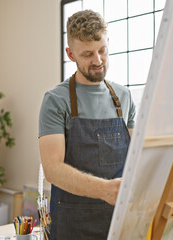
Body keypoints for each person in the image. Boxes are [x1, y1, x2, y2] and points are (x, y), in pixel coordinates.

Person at [38, 10, 136, 240]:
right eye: (87, 54)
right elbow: (52, 169)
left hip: (119, 223)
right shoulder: (55, 101)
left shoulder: (125, 97)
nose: (98, 61)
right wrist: (105, 190)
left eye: (102, 50)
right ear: (70, 54)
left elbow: (136, 158)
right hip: (73, 227)